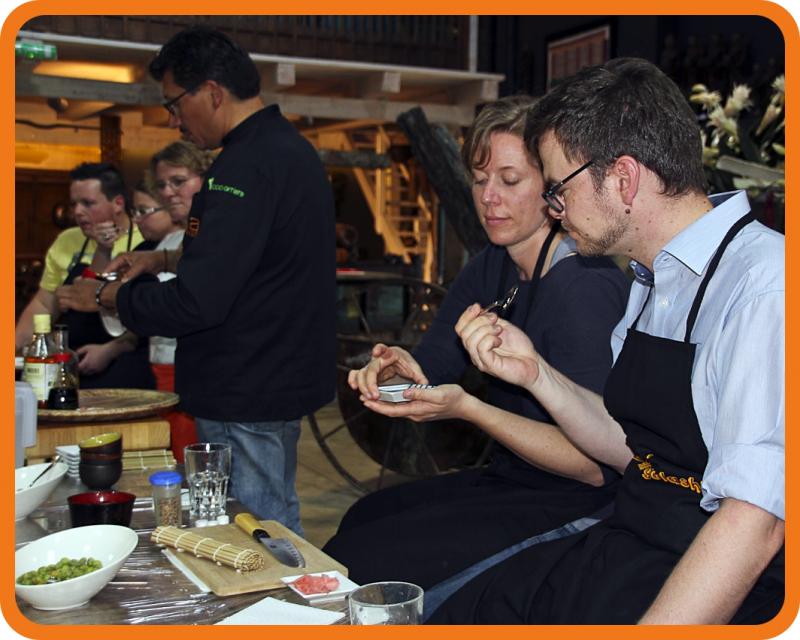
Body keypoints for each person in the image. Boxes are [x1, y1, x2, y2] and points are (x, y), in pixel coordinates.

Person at [428, 58, 784, 624]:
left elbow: (755, 522)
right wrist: (536, 374)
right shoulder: (651, 278)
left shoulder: (764, 283)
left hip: (716, 577)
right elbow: (633, 450)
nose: (554, 209)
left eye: (558, 189)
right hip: (633, 538)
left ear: (623, 178)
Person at [323, 96, 630, 588]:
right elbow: (434, 363)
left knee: (364, 558)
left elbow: (593, 466)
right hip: (513, 476)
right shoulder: (495, 262)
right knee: (363, 517)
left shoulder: (584, 288)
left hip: (578, 502)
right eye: (480, 179)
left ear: (553, 187)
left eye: (509, 180)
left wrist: (470, 409)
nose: (489, 197)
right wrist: (398, 369)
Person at [55, 26, 337, 535]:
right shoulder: (288, 149)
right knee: (265, 525)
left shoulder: (244, 166)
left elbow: (197, 302)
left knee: (255, 535)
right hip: (272, 375)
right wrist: (161, 260)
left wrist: (106, 295)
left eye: (174, 103)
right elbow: (255, 255)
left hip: (246, 386)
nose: (173, 119)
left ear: (211, 91)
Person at [18, 162, 154, 389]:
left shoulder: (145, 241)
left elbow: (147, 314)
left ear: (118, 203)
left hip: (126, 361)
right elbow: (44, 304)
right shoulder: (67, 241)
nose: (78, 211)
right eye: (74, 204)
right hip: (74, 360)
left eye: (88, 203)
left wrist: (110, 350)